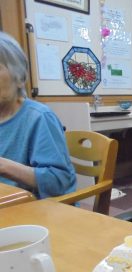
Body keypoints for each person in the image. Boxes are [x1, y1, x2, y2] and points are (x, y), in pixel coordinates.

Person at [0, 31, 76, 199]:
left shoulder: (39, 117)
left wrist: (4, 166)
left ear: (19, 78)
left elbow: (59, 182)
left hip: (38, 211)